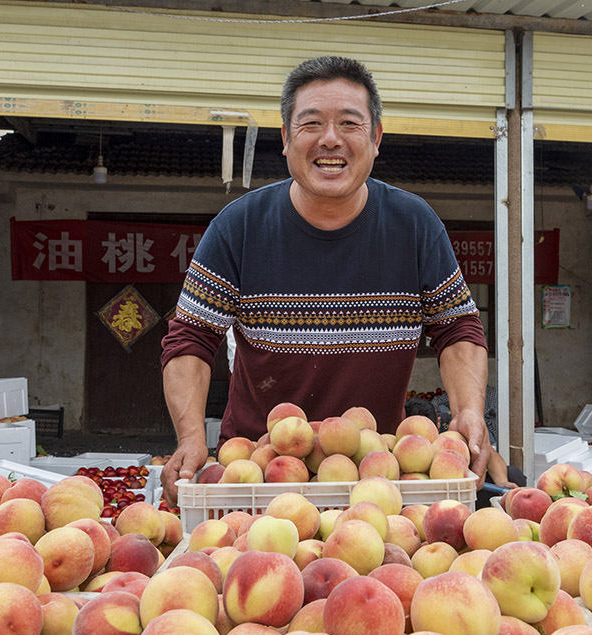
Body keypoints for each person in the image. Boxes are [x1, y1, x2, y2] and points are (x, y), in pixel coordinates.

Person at [160, 56, 490, 504]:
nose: (330, 140)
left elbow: (457, 329)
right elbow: (190, 340)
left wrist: (469, 411)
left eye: (350, 124)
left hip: (379, 477)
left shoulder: (415, 225)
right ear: (285, 138)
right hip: (259, 476)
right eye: (311, 123)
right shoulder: (238, 228)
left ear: (375, 138)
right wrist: (190, 436)